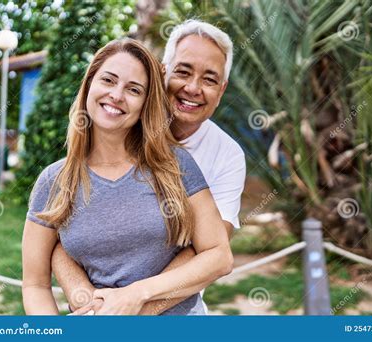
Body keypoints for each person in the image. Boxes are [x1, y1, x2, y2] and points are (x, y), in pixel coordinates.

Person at [22, 38, 233, 315]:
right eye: (108, 80)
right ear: (89, 85)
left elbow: (219, 256)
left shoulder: (174, 165)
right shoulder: (54, 181)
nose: (117, 95)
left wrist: (136, 295)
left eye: (133, 89)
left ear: (146, 103)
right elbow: (35, 285)